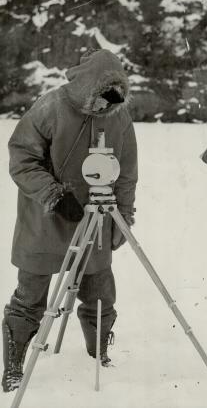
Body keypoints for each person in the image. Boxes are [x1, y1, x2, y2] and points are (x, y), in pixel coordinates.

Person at [2, 49, 138, 392]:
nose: (104, 109)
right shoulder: (50, 106)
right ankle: (15, 363)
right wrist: (54, 195)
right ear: (87, 88)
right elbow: (22, 159)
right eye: (100, 101)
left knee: (99, 292)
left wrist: (124, 214)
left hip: (95, 218)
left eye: (111, 103)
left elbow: (127, 172)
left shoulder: (120, 117)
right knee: (31, 294)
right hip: (46, 216)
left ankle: (100, 355)